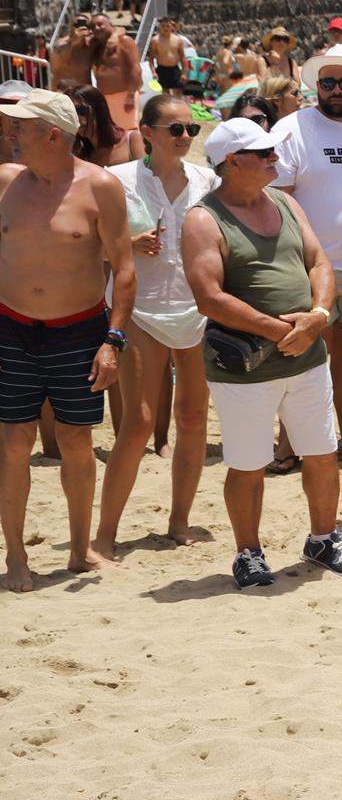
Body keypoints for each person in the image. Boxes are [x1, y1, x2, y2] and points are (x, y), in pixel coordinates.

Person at [181, 118, 342, 589]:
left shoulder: (284, 201)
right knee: (247, 463)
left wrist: (319, 315)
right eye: (263, 154)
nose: (274, 159)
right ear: (233, 162)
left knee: (322, 452)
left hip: (305, 354)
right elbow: (210, 296)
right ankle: (248, 552)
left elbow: (319, 261)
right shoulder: (203, 219)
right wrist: (282, 330)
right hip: (245, 365)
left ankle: (324, 537)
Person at [0, 90, 135, 591]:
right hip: (11, 326)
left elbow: (124, 269)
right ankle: (16, 556)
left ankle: (80, 551)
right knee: (14, 442)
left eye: (21, 127)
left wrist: (114, 340)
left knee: (78, 441)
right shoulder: (6, 182)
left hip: (79, 329)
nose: (12, 135)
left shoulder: (100, 187)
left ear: (52, 135)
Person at [96, 94, 218, 556]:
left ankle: (179, 521)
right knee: (139, 422)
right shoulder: (116, 181)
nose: (186, 137)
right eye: (175, 129)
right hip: (139, 309)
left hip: (195, 308)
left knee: (192, 418)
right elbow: (85, 242)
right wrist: (126, 243)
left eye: (191, 129)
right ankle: (105, 535)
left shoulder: (206, 180)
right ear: (146, 132)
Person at [271, 45, 342, 466]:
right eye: (328, 83)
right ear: (315, 85)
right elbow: (277, 199)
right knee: (300, 352)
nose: (337, 91)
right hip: (305, 264)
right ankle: (289, 443)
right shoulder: (291, 129)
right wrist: (302, 256)